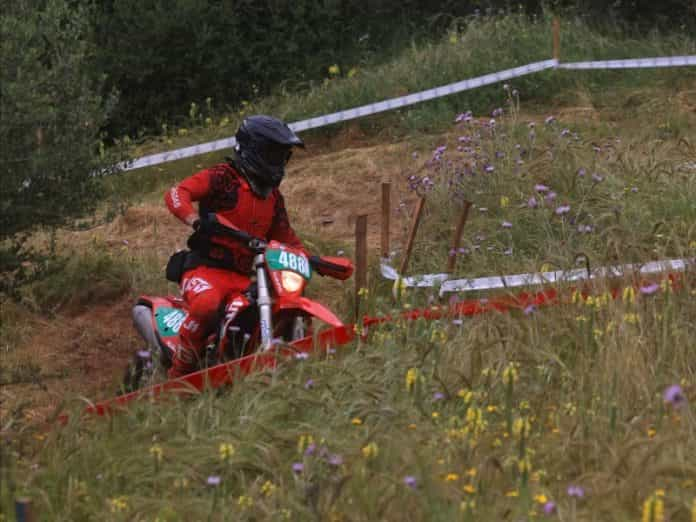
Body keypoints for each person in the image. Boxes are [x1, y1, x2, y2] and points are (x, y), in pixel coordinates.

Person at [164, 115, 307, 379]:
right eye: (273, 154)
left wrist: (319, 261)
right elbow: (177, 193)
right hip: (205, 270)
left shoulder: (273, 199)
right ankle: (177, 375)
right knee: (207, 305)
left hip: (245, 278)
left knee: (274, 304)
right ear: (254, 150)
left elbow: (288, 239)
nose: (278, 162)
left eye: (282, 156)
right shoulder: (222, 178)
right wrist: (194, 220)